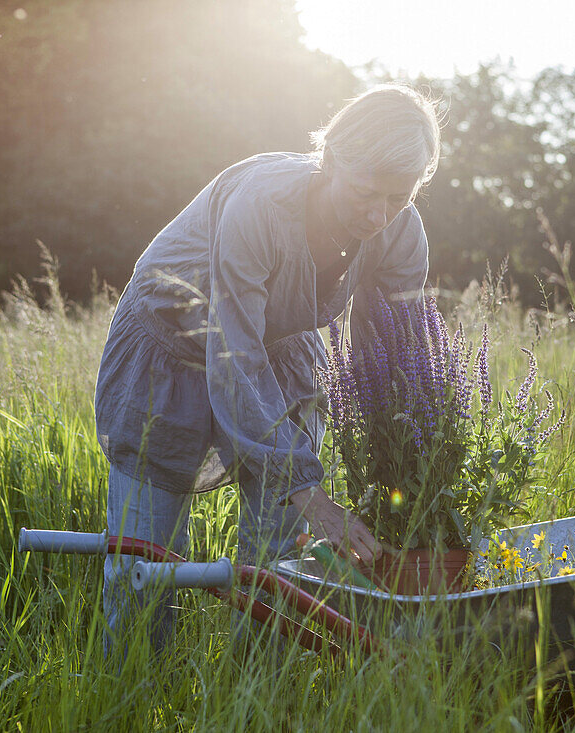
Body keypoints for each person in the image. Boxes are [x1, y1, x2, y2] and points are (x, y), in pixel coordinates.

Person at [94, 83, 442, 652]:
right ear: (330, 162)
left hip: (280, 351)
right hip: (169, 350)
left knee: (280, 556)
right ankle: (130, 684)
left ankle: (254, 693)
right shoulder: (261, 204)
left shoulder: (399, 234)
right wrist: (311, 491)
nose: (378, 214)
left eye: (399, 196)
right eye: (364, 191)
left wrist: (403, 472)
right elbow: (235, 356)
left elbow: (396, 362)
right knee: (145, 554)